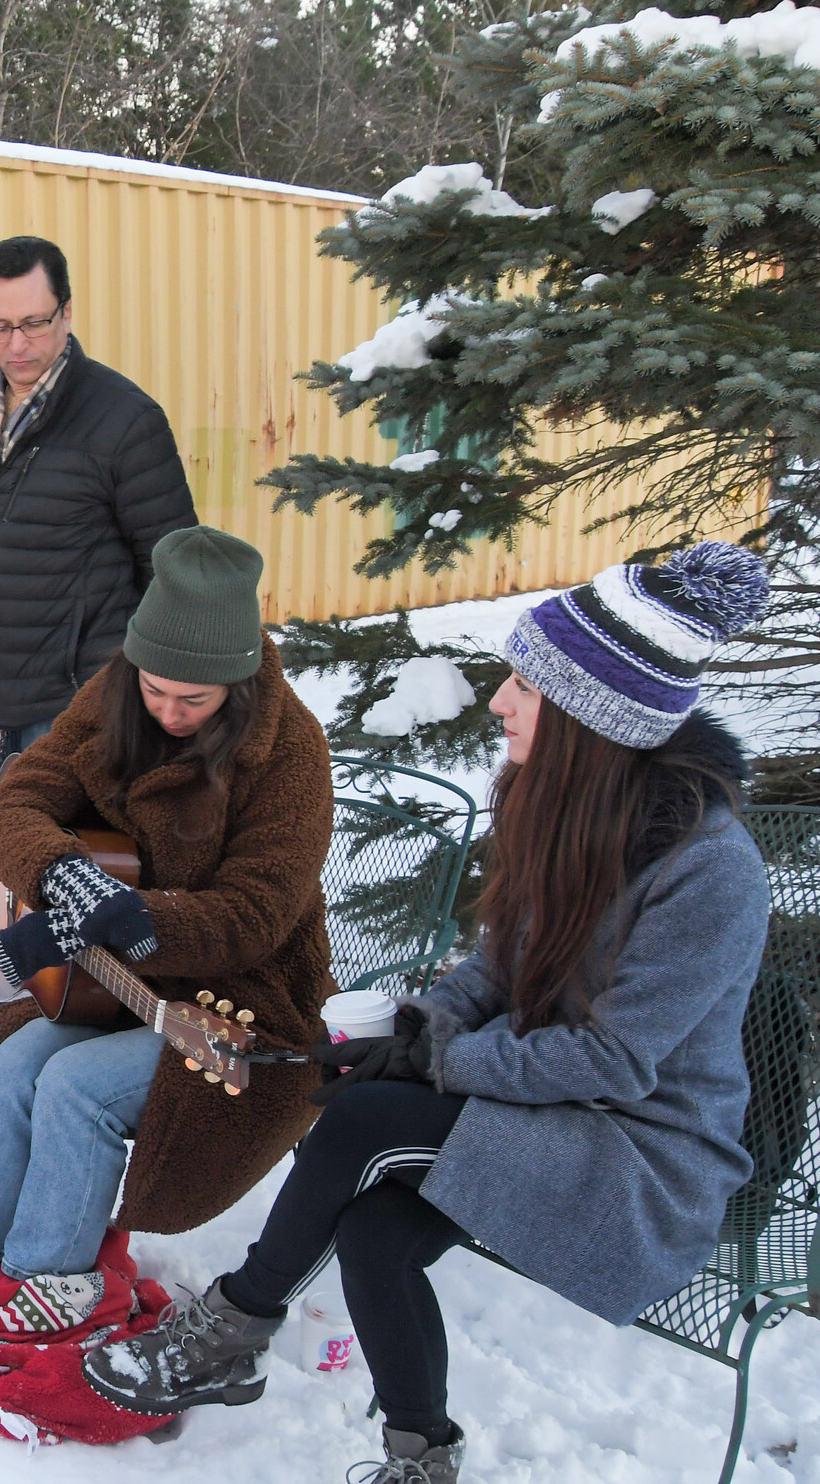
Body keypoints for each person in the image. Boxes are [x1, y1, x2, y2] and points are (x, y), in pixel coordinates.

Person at [79, 543, 774, 1484]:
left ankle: (235, 1328)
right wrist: (412, 1034)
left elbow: (615, 1063)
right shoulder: (563, 806)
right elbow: (493, 969)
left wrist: (436, 1063)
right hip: (546, 1109)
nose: (500, 700)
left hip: (638, 1157)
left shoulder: (708, 868)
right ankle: (422, 1458)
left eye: (525, 682)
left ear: (587, 716)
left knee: (366, 1124)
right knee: (375, 1232)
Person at [0, 526, 333, 1304]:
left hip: (245, 1005)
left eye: (194, 699)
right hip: (113, 982)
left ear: (239, 682)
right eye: (155, 690)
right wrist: (64, 875)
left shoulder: (291, 751)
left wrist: (136, 916)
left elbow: (258, 912)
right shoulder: (115, 691)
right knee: (12, 1070)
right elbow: (15, 800)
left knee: (76, 1087)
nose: (168, 710)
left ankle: (43, 1285)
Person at [0, 235, 196, 1102]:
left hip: (74, 702)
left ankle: (63, 1065)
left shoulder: (122, 420)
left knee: (64, 883)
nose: (17, 345)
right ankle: (2, 1046)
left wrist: (124, 688)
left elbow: (173, 568)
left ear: (68, 312)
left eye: (34, 323)